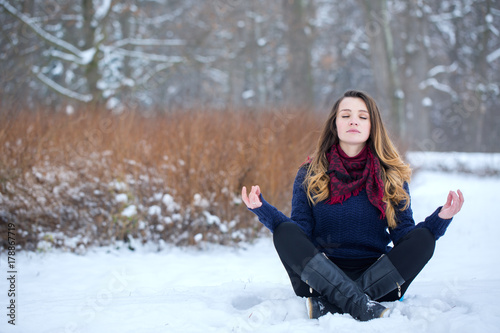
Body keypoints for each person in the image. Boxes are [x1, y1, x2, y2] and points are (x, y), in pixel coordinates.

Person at [241, 90, 464, 321]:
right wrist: (263, 210)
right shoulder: (310, 173)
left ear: (372, 125)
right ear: (335, 124)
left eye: (362, 116)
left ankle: (331, 305)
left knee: (424, 238)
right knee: (285, 232)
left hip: (380, 278)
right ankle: (363, 305)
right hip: (319, 277)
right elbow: (300, 233)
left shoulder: (392, 175)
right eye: (345, 115)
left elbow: (404, 235)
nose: (354, 121)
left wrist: (440, 219)